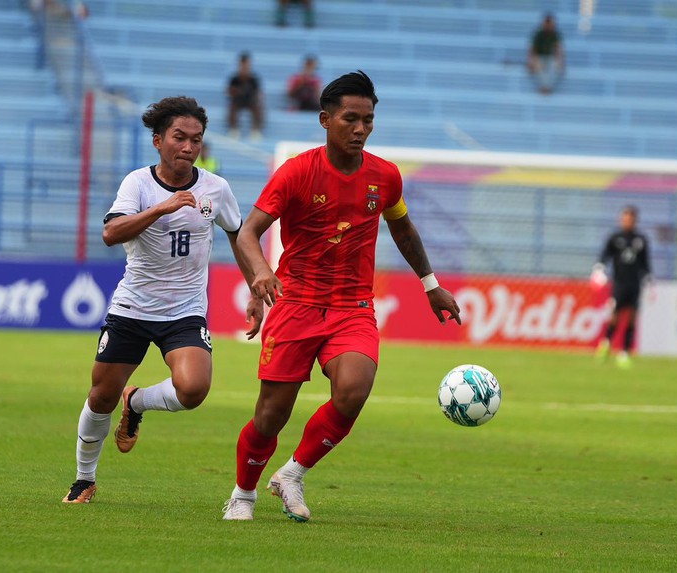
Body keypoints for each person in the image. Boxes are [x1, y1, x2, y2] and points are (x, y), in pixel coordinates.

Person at [222, 71, 461, 522]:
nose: (361, 129)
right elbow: (249, 232)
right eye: (351, 119)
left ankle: (292, 472)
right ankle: (243, 494)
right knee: (271, 416)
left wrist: (431, 285)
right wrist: (261, 272)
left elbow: (403, 228)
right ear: (325, 119)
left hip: (353, 306)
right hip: (296, 304)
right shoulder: (296, 172)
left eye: (368, 120)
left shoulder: (385, 177)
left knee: (353, 390)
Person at [62, 96, 263, 504]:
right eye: (179, 138)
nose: (189, 148)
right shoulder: (137, 183)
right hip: (133, 308)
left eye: (196, 140)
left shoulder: (215, 189)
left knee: (193, 389)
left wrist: (255, 287)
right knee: (100, 396)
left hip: (185, 310)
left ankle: (137, 401)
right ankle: (84, 478)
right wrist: (163, 207)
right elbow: (111, 233)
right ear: (158, 140)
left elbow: (238, 235)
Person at [592, 205, 651, 369]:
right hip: (619, 283)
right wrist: (599, 268)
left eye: (630, 219)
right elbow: (605, 256)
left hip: (635, 284)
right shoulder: (615, 238)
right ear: (621, 219)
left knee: (632, 317)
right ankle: (606, 343)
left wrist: (648, 277)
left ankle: (624, 352)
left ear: (635, 220)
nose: (627, 221)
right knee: (615, 316)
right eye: (625, 218)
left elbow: (645, 263)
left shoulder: (641, 240)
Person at [226, 52, 264, 141]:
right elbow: (229, 92)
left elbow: (258, 93)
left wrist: (257, 99)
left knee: (258, 108)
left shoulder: (254, 79)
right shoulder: (235, 79)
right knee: (232, 107)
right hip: (238, 101)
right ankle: (234, 129)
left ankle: (256, 130)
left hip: (251, 101)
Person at [527, 13, 564, 95]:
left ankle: (547, 88)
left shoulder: (555, 34)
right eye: (547, 24)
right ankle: (545, 88)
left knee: (554, 67)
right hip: (540, 57)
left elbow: (559, 49)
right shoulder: (538, 34)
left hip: (551, 57)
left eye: (550, 24)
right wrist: (530, 62)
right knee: (539, 68)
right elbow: (532, 50)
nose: (549, 26)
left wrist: (561, 62)